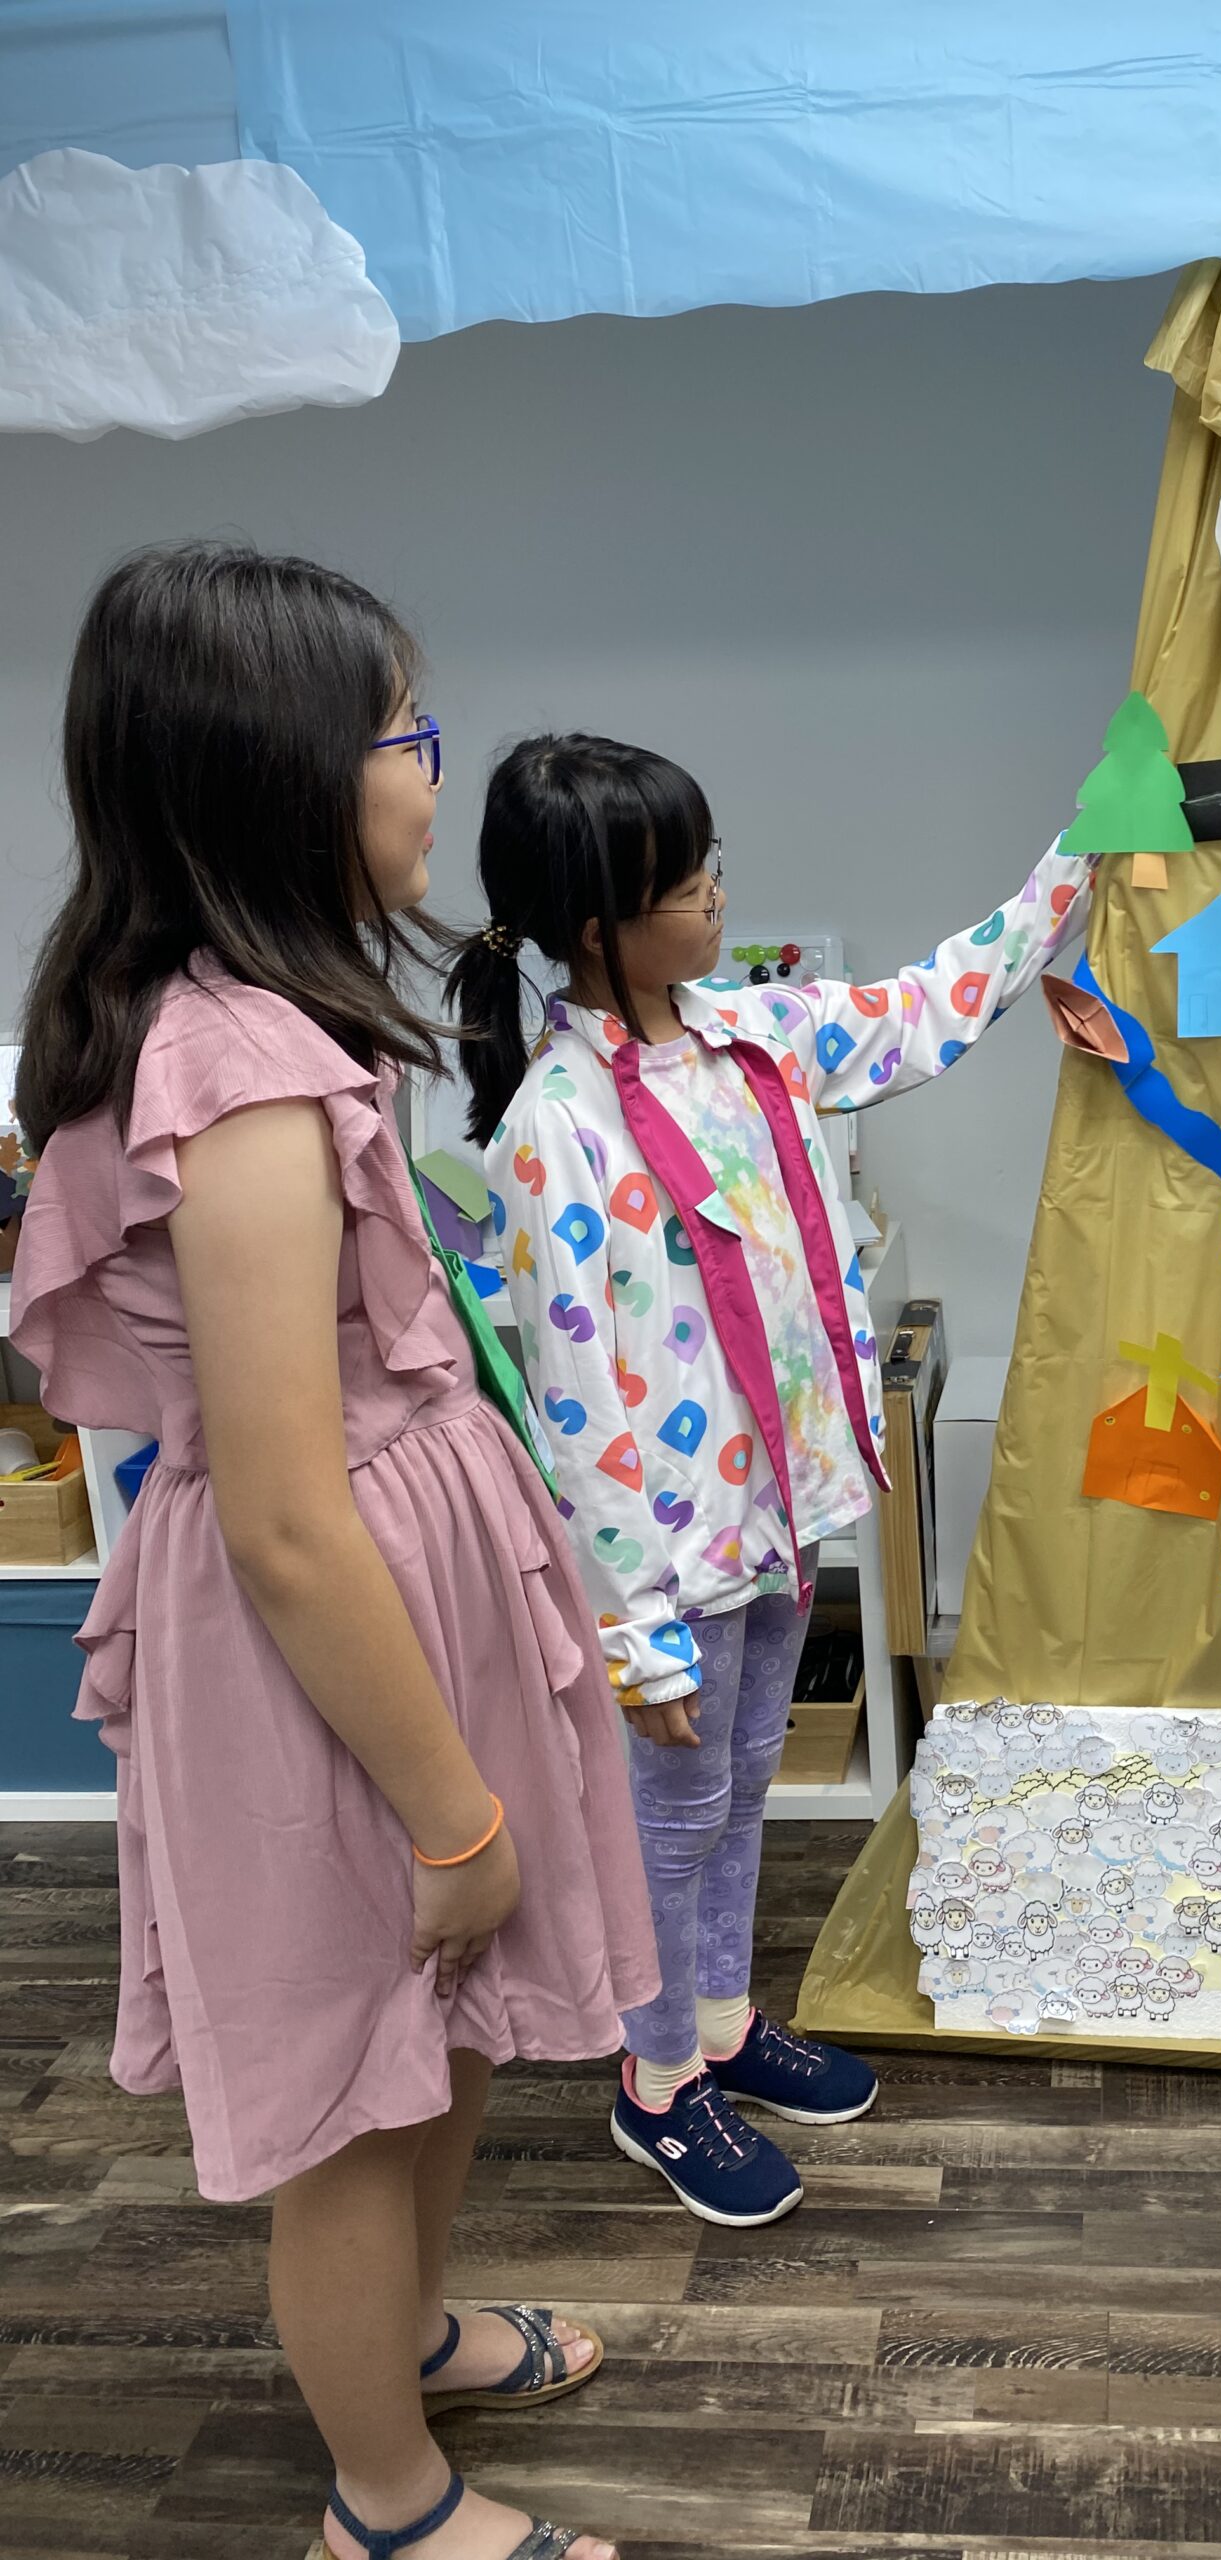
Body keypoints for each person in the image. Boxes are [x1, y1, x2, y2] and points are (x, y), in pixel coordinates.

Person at [13, 547, 657, 2560]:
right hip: (335, 1652)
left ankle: (415, 2338)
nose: (428, 768)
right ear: (282, 770)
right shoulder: (240, 1075)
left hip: (392, 1602)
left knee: (435, 2035)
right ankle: (387, 2499)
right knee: (360, 2092)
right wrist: (452, 1807)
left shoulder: (275, 1028)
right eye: (402, 731)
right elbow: (291, 1518)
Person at [451, 733, 1096, 2226]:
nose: (718, 897)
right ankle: (656, 2076)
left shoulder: (752, 1036)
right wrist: (632, 1627)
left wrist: (1081, 855)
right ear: (599, 927)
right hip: (667, 1558)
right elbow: (574, 1407)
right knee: (670, 1817)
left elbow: (931, 1007)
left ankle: (723, 2021)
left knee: (743, 1787)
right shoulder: (553, 1129)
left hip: (778, 1507)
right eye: (687, 884)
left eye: (710, 867)